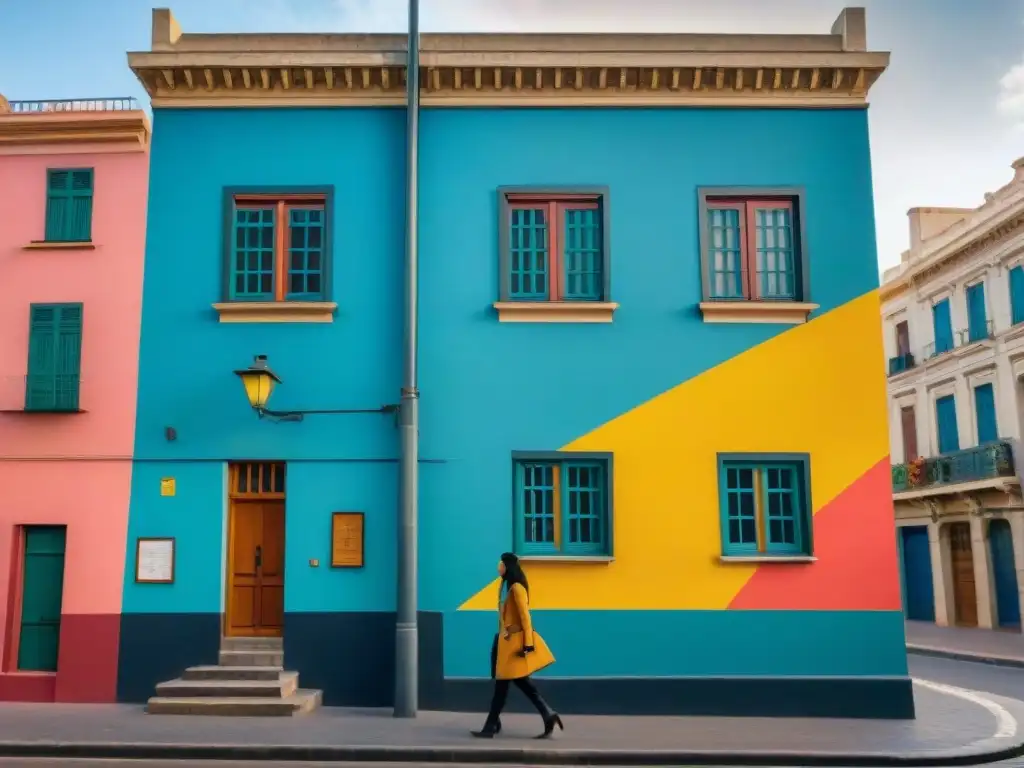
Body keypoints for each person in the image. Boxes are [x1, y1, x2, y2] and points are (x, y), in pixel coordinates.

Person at [471, 552, 563, 739]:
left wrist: (528, 644)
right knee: (518, 683)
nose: (499, 567)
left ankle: (491, 726)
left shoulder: (517, 588)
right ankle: (547, 714)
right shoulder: (505, 586)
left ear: (508, 566)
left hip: (513, 645)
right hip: (504, 642)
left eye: (502, 564)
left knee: (503, 686)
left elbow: (525, 617)